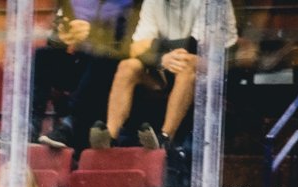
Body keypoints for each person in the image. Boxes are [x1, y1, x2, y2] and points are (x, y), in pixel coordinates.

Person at [89, 0, 237, 151]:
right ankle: (110, 138)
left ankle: (165, 138)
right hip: (169, 67)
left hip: (218, 70)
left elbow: (194, 46)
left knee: (187, 63)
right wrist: (161, 58)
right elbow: (136, 47)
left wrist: (155, 48)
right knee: (128, 66)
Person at [34, 0, 137, 151]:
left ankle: (70, 124)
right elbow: (56, 37)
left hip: (110, 66)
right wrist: (61, 35)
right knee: (43, 56)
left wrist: (94, 33)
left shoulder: (128, 3)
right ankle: (31, 124)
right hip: (79, 61)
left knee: (104, 55)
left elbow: (130, 41)